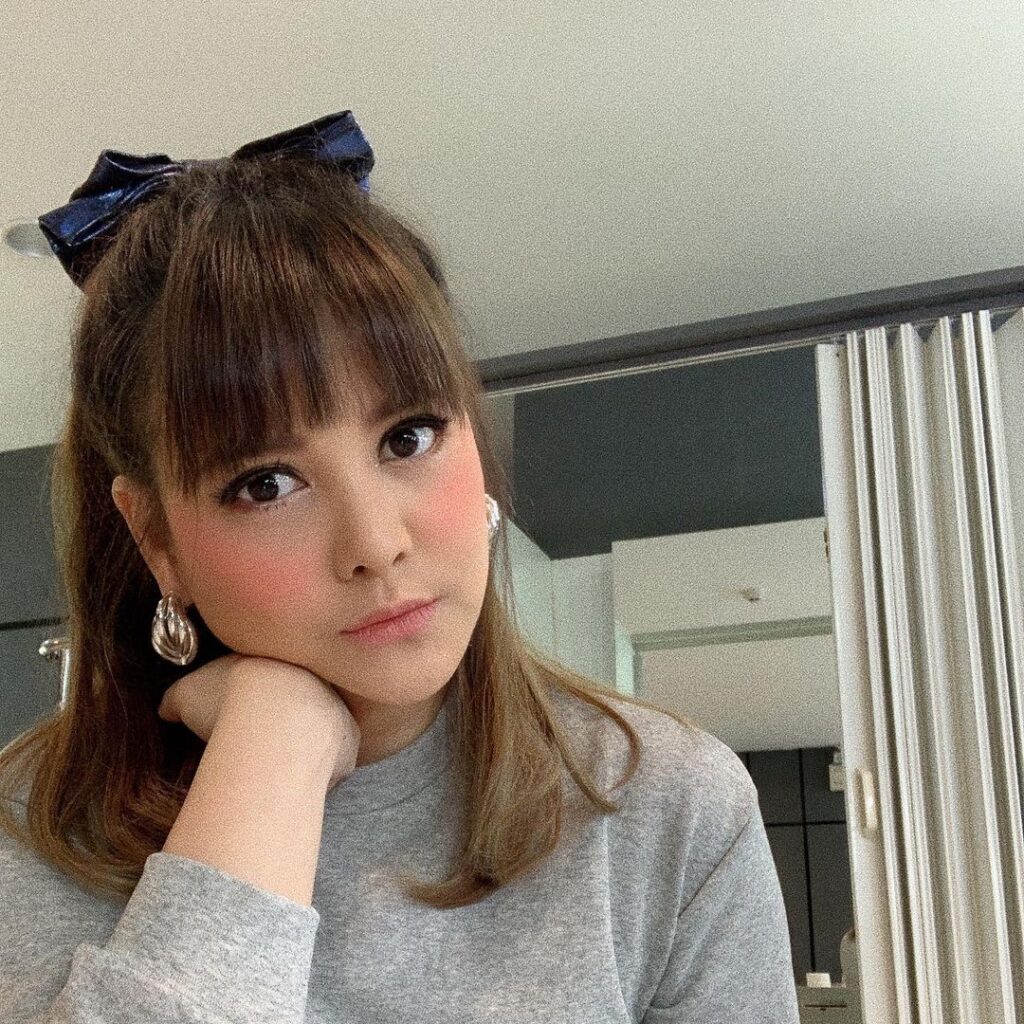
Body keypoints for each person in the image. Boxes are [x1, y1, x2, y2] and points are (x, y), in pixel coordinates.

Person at [0, 110, 800, 1023]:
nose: (376, 544)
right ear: (156, 540)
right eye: (265, 484)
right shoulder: (27, 835)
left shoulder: (665, 807)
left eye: (409, 436)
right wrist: (271, 752)